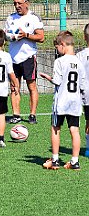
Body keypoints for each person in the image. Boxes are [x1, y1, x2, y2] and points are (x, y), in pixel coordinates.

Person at [40, 31, 85, 170]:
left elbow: (57, 81)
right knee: (75, 130)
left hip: (61, 102)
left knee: (55, 128)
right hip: (75, 102)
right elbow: (82, 85)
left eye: (57, 47)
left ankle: (54, 160)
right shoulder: (79, 62)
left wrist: (47, 77)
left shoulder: (60, 61)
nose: (57, 50)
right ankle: (75, 161)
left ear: (63, 45)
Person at [4, 0, 44, 124]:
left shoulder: (34, 18)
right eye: (15, 3)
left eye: (19, 3)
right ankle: (16, 114)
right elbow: (6, 35)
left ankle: (32, 115)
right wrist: (8, 36)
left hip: (28, 57)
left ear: (27, 3)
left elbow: (41, 37)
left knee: (31, 86)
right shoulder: (10, 18)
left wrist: (26, 35)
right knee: (14, 86)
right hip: (13, 58)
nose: (17, 6)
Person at [76, 23, 89, 157]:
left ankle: (88, 149)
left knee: (88, 121)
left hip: (86, 94)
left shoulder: (79, 56)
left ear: (85, 37)